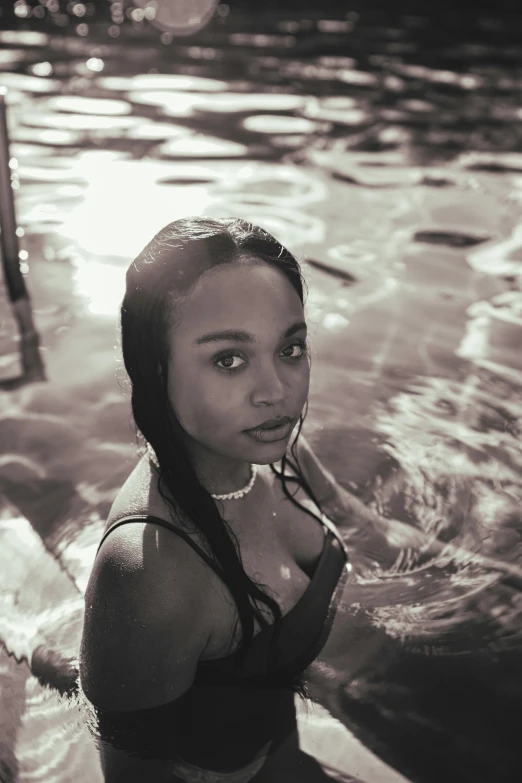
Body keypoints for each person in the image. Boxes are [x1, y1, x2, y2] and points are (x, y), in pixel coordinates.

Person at [79, 216, 449, 783]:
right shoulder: (152, 572)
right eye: (229, 358)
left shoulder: (276, 452)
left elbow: (368, 530)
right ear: (153, 369)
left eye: (291, 348)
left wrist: (489, 585)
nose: (277, 391)